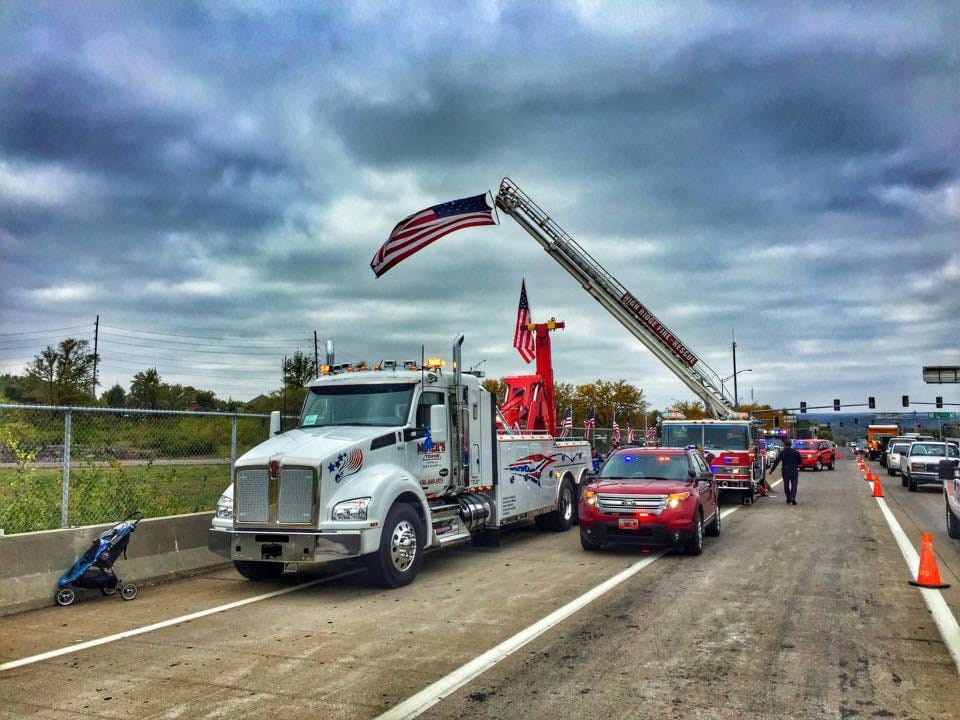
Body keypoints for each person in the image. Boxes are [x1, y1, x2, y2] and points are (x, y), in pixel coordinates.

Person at [770, 437, 802, 505]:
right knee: (794, 485)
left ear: (784, 445)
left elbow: (777, 461)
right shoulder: (796, 452)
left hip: (785, 471)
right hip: (794, 470)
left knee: (786, 486)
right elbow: (800, 461)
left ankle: (788, 498)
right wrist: (796, 464)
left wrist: (772, 470)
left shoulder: (782, 453)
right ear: (790, 445)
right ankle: (793, 497)